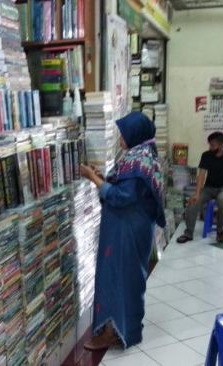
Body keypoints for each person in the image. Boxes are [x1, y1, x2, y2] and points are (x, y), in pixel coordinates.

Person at [79, 111, 165, 351]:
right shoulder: (141, 156)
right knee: (125, 278)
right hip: (127, 229)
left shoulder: (139, 163)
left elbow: (121, 196)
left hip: (126, 233)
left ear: (135, 135)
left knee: (119, 279)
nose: (120, 139)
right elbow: (125, 188)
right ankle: (123, 328)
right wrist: (102, 178)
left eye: (123, 134)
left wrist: (94, 180)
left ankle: (113, 332)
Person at [177, 132, 223, 244]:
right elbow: (201, 175)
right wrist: (197, 194)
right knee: (192, 203)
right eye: (209, 144)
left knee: (222, 201)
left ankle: (220, 231)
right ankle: (188, 233)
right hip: (208, 189)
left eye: (213, 145)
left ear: (221, 145)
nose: (210, 147)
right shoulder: (206, 155)